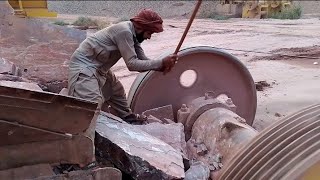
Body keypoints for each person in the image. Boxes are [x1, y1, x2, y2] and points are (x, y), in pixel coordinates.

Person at [68, 9, 177, 123]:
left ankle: (129, 119)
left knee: (116, 91)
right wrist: (161, 62)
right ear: (141, 28)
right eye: (149, 33)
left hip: (100, 68)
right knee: (90, 106)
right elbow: (132, 64)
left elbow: (143, 61)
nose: (149, 37)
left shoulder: (134, 36)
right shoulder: (124, 31)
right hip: (84, 67)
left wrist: (162, 67)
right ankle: (81, 138)